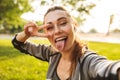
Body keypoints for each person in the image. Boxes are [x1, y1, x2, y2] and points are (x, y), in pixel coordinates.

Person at [12, 6, 120, 80]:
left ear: (74, 26)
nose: (57, 31)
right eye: (49, 27)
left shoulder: (88, 61)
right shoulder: (50, 53)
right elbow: (18, 43)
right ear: (45, 33)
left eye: (63, 23)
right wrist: (27, 34)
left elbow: (108, 68)